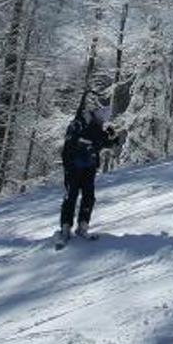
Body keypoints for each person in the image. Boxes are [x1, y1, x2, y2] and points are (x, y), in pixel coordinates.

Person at [55, 103, 117, 247]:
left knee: (88, 195)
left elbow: (104, 144)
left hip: (89, 166)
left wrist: (112, 138)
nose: (104, 119)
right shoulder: (80, 123)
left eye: (105, 117)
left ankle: (82, 226)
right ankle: (65, 228)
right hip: (74, 166)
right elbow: (73, 142)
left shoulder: (97, 126)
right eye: (103, 115)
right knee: (71, 195)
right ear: (97, 112)